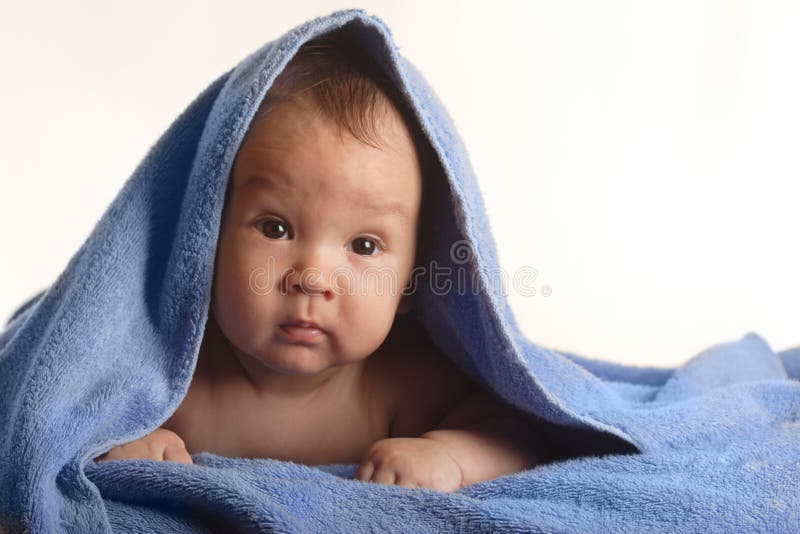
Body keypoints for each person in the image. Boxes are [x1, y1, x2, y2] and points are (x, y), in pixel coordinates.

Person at [95, 30, 551, 492]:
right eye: (275, 228)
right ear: (204, 234)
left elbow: (523, 434)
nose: (312, 278)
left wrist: (450, 455)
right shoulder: (167, 376)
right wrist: (123, 439)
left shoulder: (402, 383)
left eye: (364, 246)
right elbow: (58, 412)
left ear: (411, 282)